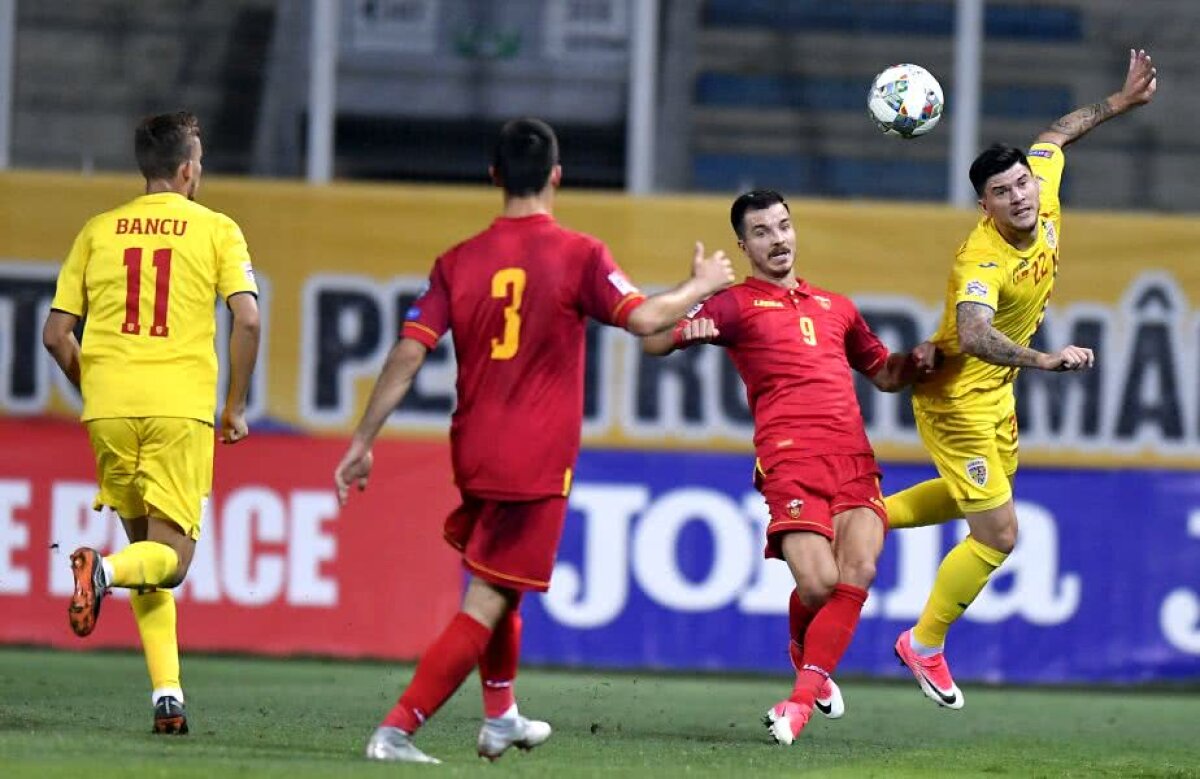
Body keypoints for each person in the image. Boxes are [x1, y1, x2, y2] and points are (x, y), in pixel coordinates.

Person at [333, 117, 735, 764]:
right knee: (488, 596)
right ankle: (396, 729)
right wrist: (702, 286)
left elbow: (408, 353)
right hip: (536, 460)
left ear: (493, 176)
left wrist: (362, 440)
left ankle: (501, 717)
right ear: (556, 174)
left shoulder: (456, 261)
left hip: (474, 452)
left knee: (500, 579)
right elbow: (647, 319)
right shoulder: (579, 254)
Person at [885, 49, 1158, 709]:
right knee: (1000, 532)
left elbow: (1054, 136)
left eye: (1022, 185)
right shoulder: (983, 257)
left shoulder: (1043, 182)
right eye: (1003, 193)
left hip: (992, 393)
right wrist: (1046, 360)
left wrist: (1118, 104)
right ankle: (923, 642)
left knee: (974, 498)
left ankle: (856, 514)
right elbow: (976, 332)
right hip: (955, 396)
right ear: (985, 204)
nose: (1020, 196)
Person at [642, 189, 936, 745]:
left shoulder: (837, 307)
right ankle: (806, 650)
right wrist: (693, 296)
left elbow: (885, 374)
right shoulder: (732, 305)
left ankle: (799, 700)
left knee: (861, 573)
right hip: (790, 461)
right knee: (822, 585)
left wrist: (918, 362)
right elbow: (653, 338)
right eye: (762, 232)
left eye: (783, 226)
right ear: (744, 244)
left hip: (853, 457)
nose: (777, 239)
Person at [42, 111, 261, 734]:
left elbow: (57, 335)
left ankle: (168, 697)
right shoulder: (218, 230)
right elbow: (247, 320)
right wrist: (236, 406)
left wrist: (102, 389)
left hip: (108, 410)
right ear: (189, 169)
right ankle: (101, 571)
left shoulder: (97, 231)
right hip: (177, 408)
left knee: (150, 552)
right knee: (171, 559)